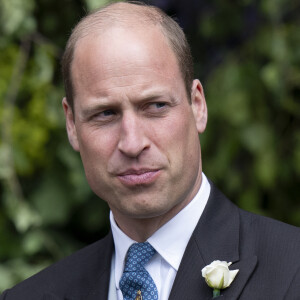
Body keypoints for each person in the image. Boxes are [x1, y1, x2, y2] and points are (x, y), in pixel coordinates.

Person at [1, 2, 300, 299]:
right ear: (71, 124)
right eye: (105, 114)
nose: (132, 143)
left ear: (197, 105)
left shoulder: (292, 271)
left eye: (156, 106)